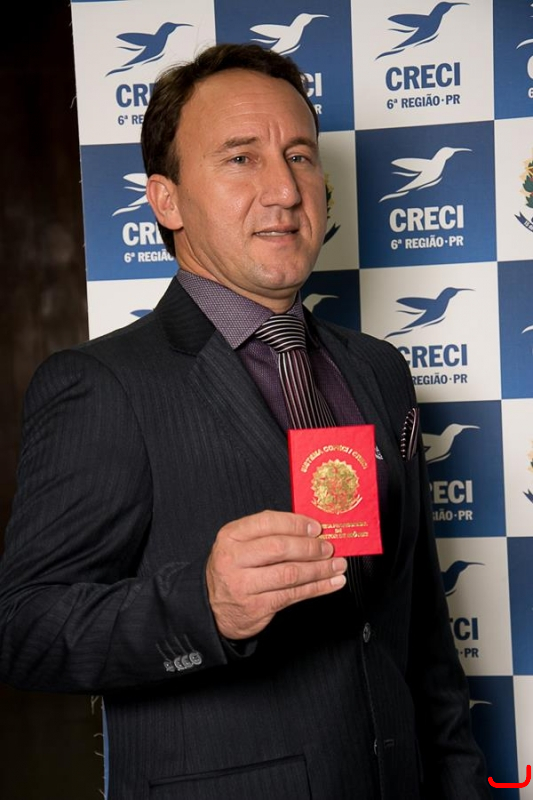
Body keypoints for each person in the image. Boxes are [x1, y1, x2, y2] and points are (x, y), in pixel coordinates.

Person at [0, 42, 490, 799]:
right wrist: (203, 605)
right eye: (240, 158)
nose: (284, 190)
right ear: (166, 201)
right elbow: (25, 630)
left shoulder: (379, 370)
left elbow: (419, 631)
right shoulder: (102, 385)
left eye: (299, 156)